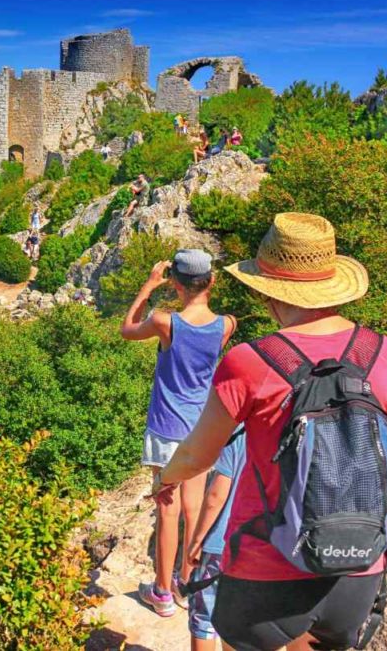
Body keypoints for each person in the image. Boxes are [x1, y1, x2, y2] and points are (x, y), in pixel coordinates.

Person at [156, 213, 387, 650]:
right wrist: (359, 554)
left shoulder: (250, 361)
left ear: (268, 294)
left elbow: (197, 457)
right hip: (355, 576)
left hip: (264, 577)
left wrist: (165, 481)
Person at [120, 250, 237, 617]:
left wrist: (148, 286)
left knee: (167, 511)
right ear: (211, 282)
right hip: (201, 428)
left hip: (166, 428)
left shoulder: (165, 322)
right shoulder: (226, 325)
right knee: (194, 508)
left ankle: (161, 593)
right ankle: (186, 585)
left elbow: (127, 329)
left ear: (176, 283)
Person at [187, 427, 246, 651]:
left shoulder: (239, 435)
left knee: (204, 616)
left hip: (221, 545)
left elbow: (215, 496)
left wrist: (197, 540)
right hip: (260, 549)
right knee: (238, 620)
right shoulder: (287, 432)